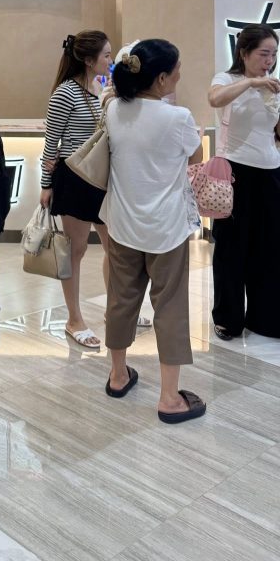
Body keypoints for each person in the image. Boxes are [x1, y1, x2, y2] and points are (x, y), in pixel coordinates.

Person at [101, 39, 206, 424]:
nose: (180, 76)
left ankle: (117, 375)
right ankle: (169, 398)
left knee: (121, 300)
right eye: (176, 71)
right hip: (166, 228)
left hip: (122, 223)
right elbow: (195, 156)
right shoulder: (177, 118)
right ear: (161, 78)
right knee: (170, 307)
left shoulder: (113, 109)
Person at [40, 30, 117, 350]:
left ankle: (115, 311)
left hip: (103, 180)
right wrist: (45, 185)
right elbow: (51, 145)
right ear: (88, 60)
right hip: (74, 179)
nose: (111, 60)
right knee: (76, 250)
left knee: (115, 247)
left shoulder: (104, 88)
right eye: (106, 55)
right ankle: (74, 319)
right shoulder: (65, 93)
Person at [208, 24, 280, 340]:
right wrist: (251, 82)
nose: (269, 61)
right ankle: (228, 318)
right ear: (244, 52)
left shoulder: (273, 85)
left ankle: (265, 318)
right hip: (235, 171)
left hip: (271, 171)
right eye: (264, 53)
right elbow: (214, 99)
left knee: (269, 247)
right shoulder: (227, 79)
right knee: (231, 247)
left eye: (274, 54)